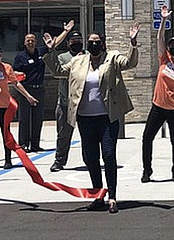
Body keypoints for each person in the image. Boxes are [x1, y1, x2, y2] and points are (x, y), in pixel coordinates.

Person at [50, 23, 140, 213]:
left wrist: (133, 42)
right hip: (85, 118)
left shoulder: (112, 58)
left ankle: (112, 197)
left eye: (97, 42)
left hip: (107, 117)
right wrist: (50, 51)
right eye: (90, 42)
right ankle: (98, 195)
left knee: (108, 155)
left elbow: (130, 63)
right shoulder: (78, 61)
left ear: (103, 44)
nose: (94, 45)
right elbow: (58, 70)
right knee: (90, 158)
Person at [141, 7, 174, 183]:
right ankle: (147, 171)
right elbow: (159, 38)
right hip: (158, 107)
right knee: (147, 137)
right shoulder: (164, 59)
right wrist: (163, 20)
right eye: (171, 45)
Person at [43, 21, 82, 172]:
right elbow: (57, 70)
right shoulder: (63, 57)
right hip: (66, 103)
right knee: (63, 135)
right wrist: (51, 50)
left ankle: (90, 159)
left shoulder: (87, 55)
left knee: (89, 136)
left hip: (84, 103)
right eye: (73, 41)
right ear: (68, 43)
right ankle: (59, 161)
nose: (76, 43)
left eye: (79, 41)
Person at [12, 32, 48, 152]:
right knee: (24, 117)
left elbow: (53, 44)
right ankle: (23, 143)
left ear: (35, 42)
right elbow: (15, 77)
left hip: (39, 89)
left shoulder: (40, 52)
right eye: (28, 40)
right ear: (24, 43)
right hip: (25, 90)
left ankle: (35, 144)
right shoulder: (20, 57)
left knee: (38, 118)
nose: (30, 42)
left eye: (32, 40)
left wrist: (66, 31)